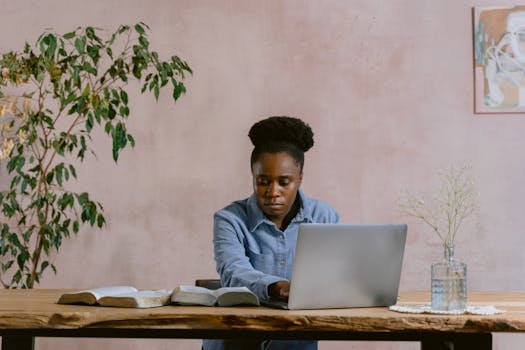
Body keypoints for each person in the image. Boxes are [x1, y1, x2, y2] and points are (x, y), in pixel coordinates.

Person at [203, 116, 339, 350]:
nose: (272, 192)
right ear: (253, 178)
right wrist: (278, 286)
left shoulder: (324, 217)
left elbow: (334, 277)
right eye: (263, 181)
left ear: (300, 179)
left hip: (296, 344)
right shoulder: (229, 219)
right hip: (236, 343)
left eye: (284, 182)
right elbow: (233, 272)